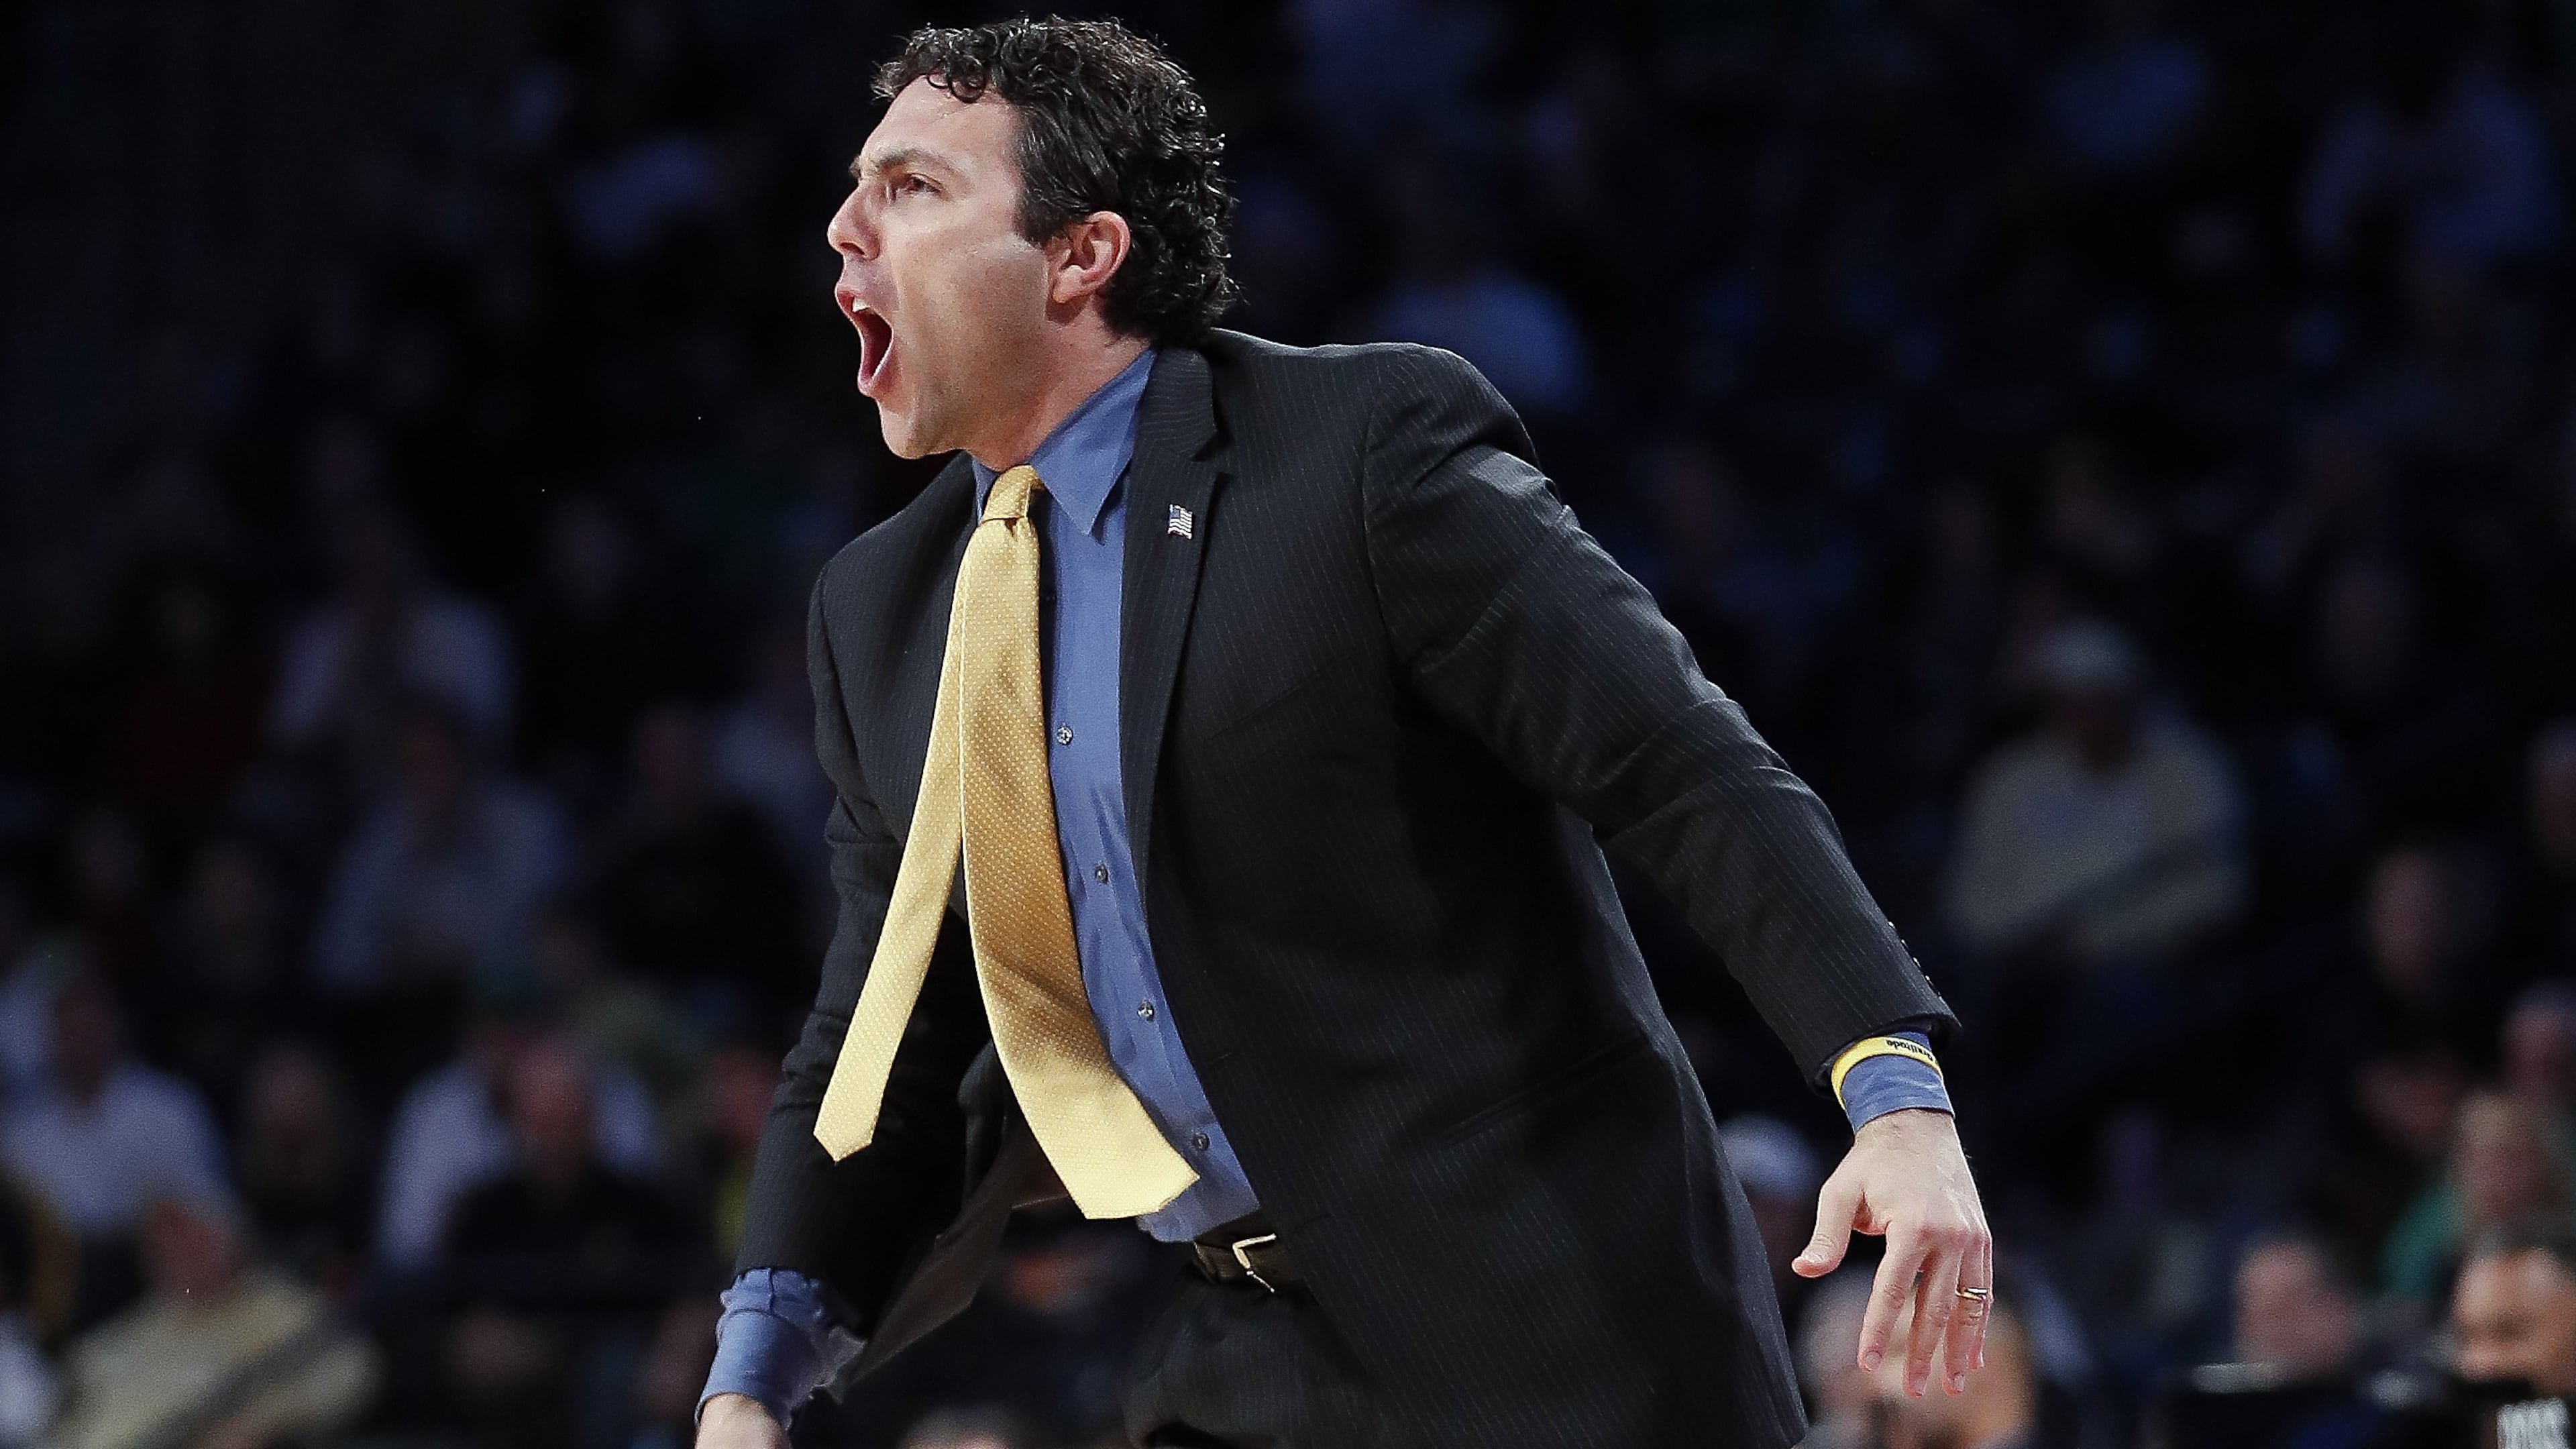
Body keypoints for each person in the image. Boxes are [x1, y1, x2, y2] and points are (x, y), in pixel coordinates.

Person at [700, 19, 1990, 1449]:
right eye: (854, 187)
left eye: (913, 187)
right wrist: (755, 1372)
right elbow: (879, 1032)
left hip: (1554, 1323)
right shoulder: (880, 613)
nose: (844, 226)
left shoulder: (1360, 452)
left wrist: (1893, 1098)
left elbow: (1677, 765)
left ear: (1082, 256)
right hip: (1231, 1345)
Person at [48, 1191, 378, 1449]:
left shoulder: (291, 1313)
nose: (183, 1251)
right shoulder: (115, 1342)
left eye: (194, 1235)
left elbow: (351, 1372)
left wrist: (261, 1423)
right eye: (167, 1242)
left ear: (230, 1238)